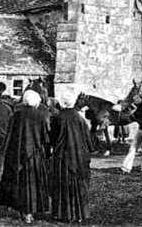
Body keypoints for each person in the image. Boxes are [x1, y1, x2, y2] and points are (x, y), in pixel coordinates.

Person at [0, 89, 50, 224]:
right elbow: (45, 138)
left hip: (16, 155)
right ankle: (29, 213)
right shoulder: (40, 116)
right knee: (32, 185)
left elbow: (9, 135)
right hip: (34, 156)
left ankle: (21, 211)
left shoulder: (16, 115)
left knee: (18, 184)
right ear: (37, 102)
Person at [50, 90, 94, 223]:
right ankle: (79, 214)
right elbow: (88, 139)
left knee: (63, 184)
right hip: (79, 156)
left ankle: (64, 214)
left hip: (63, 157)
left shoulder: (59, 118)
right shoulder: (80, 118)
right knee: (79, 184)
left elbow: (53, 138)